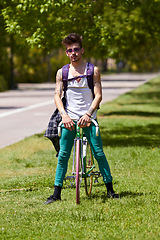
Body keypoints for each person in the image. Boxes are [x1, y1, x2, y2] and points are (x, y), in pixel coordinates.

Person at [44, 33, 119, 204]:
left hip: (89, 118)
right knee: (63, 155)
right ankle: (56, 194)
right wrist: (64, 115)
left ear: (82, 50)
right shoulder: (61, 72)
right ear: (66, 53)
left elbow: (98, 96)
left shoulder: (93, 70)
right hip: (69, 119)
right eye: (69, 50)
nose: (73, 53)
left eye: (76, 49)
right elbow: (57, 95)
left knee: (99, 153)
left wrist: (88, 114)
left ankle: (110, 190)